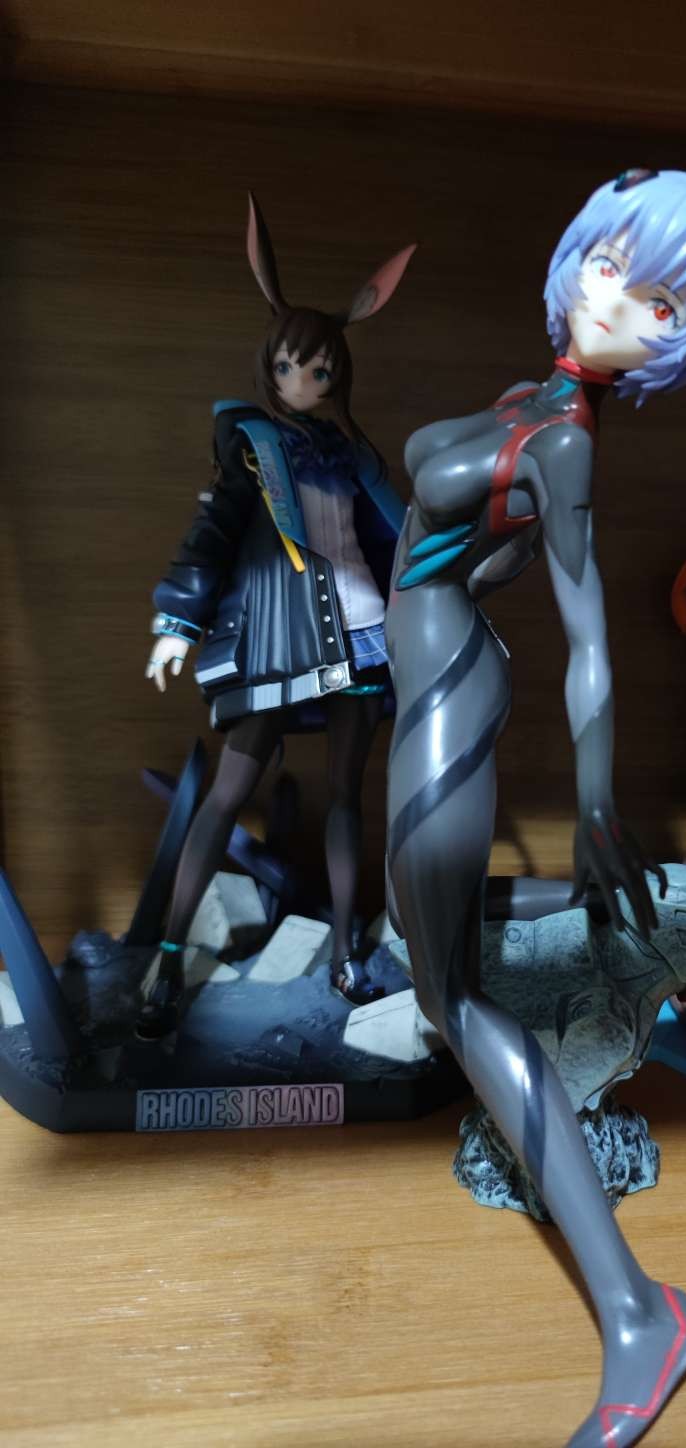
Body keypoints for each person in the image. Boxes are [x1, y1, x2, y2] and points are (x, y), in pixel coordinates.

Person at [384, 169, 686, 1447]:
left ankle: (641, 1312)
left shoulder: (564, 441)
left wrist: (597, 803)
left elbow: (589, 628)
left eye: (661, 303)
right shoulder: (530, 400)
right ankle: (614, 923)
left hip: (450, 691)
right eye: (612, 264)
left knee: (453, 998)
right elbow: (453, 544)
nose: (616, 300)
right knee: (425, 938)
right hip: (427, 673)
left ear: (680, 342)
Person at [139, 195, 414, 1037]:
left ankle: (344, 953)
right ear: (271, 365)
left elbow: (408, 534)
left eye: (321, 370)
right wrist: (176, 622)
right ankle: (166, 958)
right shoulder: (251, 441)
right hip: (276, 633)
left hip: (361, 628)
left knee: (347, 794)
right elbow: (215, 527)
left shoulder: (353, 452)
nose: (305, 380)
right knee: (228, 791)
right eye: (293, 365)